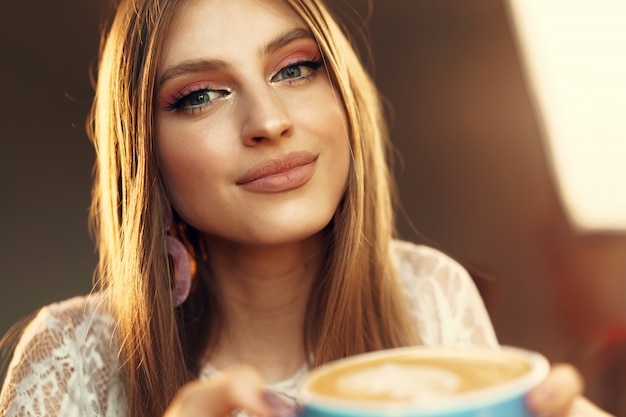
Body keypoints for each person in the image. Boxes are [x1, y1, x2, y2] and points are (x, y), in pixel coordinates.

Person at [0, 0, 613, 416]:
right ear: (145, 150)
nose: (268, 121)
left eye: (295, 68)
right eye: (201, 96)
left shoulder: (433, 294)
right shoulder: (69, 356)